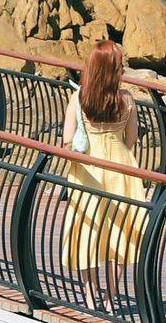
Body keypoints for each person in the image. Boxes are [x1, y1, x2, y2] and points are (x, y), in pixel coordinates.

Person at [61, 39, 147, 300]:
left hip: (89, 166)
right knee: (120, 232)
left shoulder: (80, 97)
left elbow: (66, 139)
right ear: (114, 70)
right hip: (121, 167)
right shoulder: (127, 100)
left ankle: (90, 294)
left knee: (88, 227)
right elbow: (131, 139)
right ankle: (110, 296)